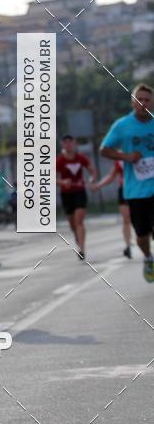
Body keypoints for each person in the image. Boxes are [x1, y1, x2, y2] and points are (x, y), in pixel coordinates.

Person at [101, 83, 154, 282]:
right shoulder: (122, 126)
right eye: (139, 99)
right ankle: (148, 257)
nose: (143, 103)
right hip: (135, 191)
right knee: (142, 235)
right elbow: (104, 150)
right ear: (133, 102)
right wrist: (126, 157)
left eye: (147, 99)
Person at [55, 135, 97, 261]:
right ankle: (78, 241)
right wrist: (62, 182)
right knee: (73, 224)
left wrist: (91, 180)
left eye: (70, 142)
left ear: (74, 144)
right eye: (66, 143)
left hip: (79, 191)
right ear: (62, 145)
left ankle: (82, 249)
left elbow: (93, 172)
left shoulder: (80, 158)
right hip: (66, 194)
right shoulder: (59, 160)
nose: (68, 145)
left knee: (79, 220)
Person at [91, 160, 132, 258]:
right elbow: (111, 176)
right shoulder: (119, 160)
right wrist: (98, 185)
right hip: (124, 189)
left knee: (145, 217)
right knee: (126, 219)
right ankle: (128, 246)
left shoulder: (142, 154)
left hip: (141, 189)